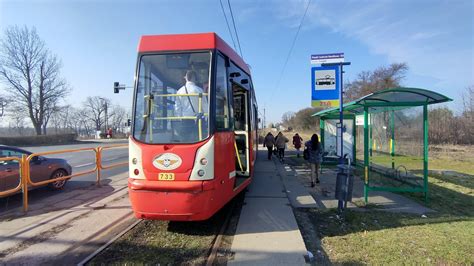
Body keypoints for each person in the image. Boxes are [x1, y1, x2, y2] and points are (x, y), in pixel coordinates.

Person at [175, 70, 209, 142]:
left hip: (185, 120)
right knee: (200, 140)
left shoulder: (179, 91)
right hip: (199, 119)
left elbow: (177, 108)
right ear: (194, 78)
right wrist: (206, 118)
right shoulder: (199, 90)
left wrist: (180, 118)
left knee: (185, 141)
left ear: (186, 78)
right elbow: (205, 105)